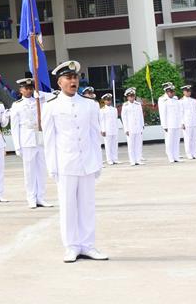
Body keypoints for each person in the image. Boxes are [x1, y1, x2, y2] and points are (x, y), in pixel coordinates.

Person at [41, 61, 106, 263]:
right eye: (68, 78)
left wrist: (98, 162)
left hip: (87, 162)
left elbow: (95, 135)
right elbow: (49, 139)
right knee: (68, 206)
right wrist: (52, 167)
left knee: (87, 205)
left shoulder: (90, 105)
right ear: (59, 82)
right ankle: (71, 246)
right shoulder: (51, 107)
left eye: (75, 77)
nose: (73, 81)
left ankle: (88, 245)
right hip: (66, 163)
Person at [8, 79, 48, 209]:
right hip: (27, 140)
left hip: (40, 139)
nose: (29, 90)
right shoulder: (17, 105)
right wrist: (17, 146)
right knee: (30, 172)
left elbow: (54, 96)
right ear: (21, 90)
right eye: (26, 88)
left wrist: (40, 95)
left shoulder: (39, 101)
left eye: (31, 88)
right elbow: (14, 127)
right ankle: (31, 198)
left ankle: (41, 197)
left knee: (41, 170)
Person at [121, 88, 145, 166]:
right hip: (130, 128)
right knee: (131, 145)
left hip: (138, 127)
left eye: (133, 96)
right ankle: (132, 160)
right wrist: (126, 129)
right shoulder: (125, 105)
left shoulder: (138, 104)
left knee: (138, 144)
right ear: (127, 97)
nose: (131, 97)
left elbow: (141, 116)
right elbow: (124, 118)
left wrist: (142, 126)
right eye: (130, 96)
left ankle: (138, 159)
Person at [157, 83, 181, 163]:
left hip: (176, 123)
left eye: (173, 91)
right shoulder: (162, 99)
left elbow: (178, 112)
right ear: (167, 92)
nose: (172, 93)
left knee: (176, 140)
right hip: (169, 124)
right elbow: (162, 113)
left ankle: (176, 156)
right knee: (169, 141)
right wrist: (164, 125)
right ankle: (170, 156)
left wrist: (180, 122)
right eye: (170, 92)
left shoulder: (175, 98)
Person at [179, 84, 196, 161]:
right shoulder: (181, 101)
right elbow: (180, 113)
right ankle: (189, 153)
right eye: (186, 91)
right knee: (188, 139)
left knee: (195, 139)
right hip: (186, 122)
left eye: (189, 91)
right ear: (183, 92)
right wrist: (182, 123)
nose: (188, 92)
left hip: (194, 121)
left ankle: (195, 153)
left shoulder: (193, 101)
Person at [99, 94, 120, 165]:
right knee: (108, 145)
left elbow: (115, 120)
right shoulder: (102, 110)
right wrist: (103, 130)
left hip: (114, 129)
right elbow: (101, 121)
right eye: (107, 100)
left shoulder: (114, 109)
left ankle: (115, 158)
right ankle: (109, 159)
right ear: (104, 101)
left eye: (109, 100)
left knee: (114, 145)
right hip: (107, 130)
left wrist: (117, 128)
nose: (108, 101)